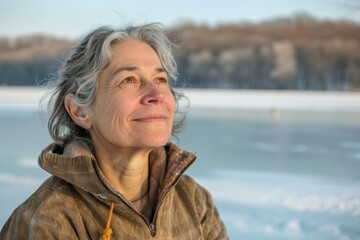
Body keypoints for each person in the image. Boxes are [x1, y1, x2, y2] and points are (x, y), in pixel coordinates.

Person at [0, 23, 228, 239]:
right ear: (80, 111)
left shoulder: (194, 200)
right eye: (128, 80)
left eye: (160, 79)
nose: (157, 95)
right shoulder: (51, 217)